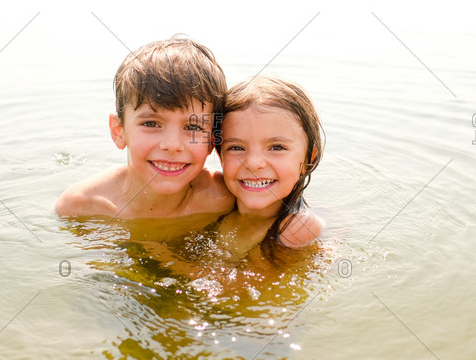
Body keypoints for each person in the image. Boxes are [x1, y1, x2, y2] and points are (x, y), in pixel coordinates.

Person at [55, 37, 235, 221]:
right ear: (119, 132)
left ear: (212, 140)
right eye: (151, 124)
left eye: (193, 126)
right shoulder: (80, 207)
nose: (172, 145)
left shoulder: (223, 200)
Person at [213, 76, 324, 259]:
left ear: (308, 159)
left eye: (277, 147)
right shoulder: (213, 200)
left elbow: (237, 287)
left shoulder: (296, 229)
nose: (254, 163)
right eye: (236, 148)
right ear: (220, 156)